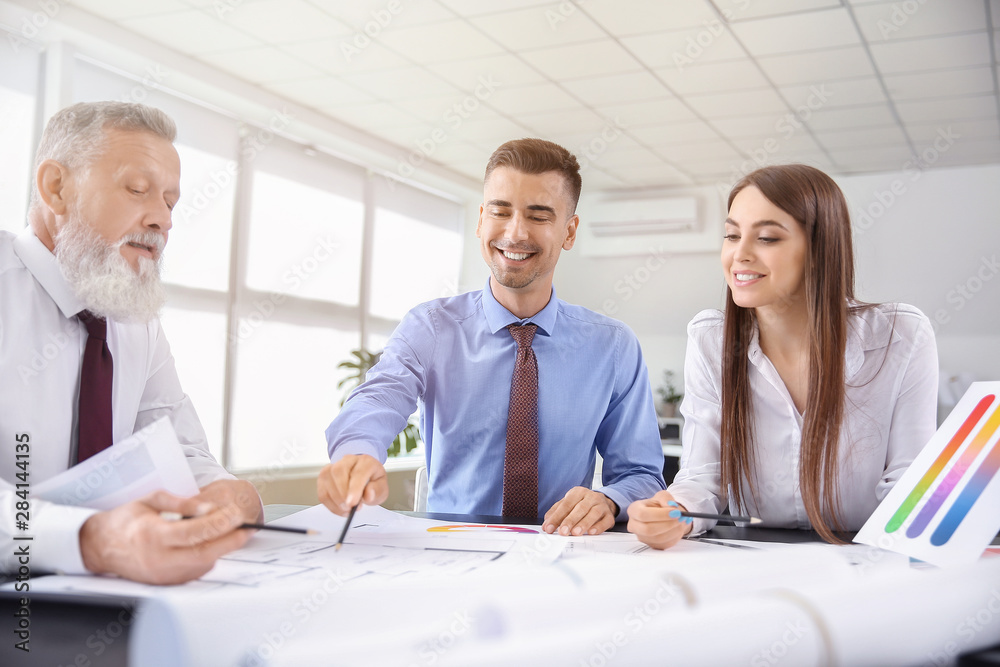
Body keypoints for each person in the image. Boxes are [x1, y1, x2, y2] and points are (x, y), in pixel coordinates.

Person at [318, 138, 665, 536]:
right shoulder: (430, 327)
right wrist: (357, 453)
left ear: (569, 232)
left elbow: (641, 474)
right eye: (501, 211)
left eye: (538, 216)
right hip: (450, 550)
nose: (515, 233)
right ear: (481, 220)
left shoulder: (613, 346)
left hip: (562, 549)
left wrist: (609, 500)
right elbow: (378, 397)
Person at [0, 101, 263, 585]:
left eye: (170, 202)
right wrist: (93, 539)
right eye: (138, 190)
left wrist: (228, 496)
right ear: (56, 188)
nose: (163, 220)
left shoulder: (134, 317)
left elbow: (180, 448)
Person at [628, 164, 938, 548]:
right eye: (731, 235)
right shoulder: (711, 339)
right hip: (760, 557)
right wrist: (674, 513)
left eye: (767, 238)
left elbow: (911, 481)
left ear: (820, 250)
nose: (739, 254)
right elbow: (703, 478)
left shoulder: (899, 335)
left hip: (868, 555)